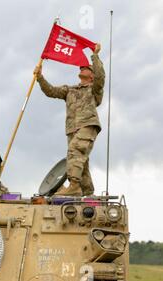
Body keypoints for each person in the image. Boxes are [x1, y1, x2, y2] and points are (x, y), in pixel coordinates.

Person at [34, 44, 105, 196]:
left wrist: (95, 56)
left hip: (88, 124)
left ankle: (73, 186)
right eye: (81, 67)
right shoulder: (70, 90)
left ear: (91, 75)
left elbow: (101, 77)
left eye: (86, 67)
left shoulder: (94, 89)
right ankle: (86, 192)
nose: (82, 68)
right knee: (81, 161)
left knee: (74, 152)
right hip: (72, 129)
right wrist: (40, 77)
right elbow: (51, 91)